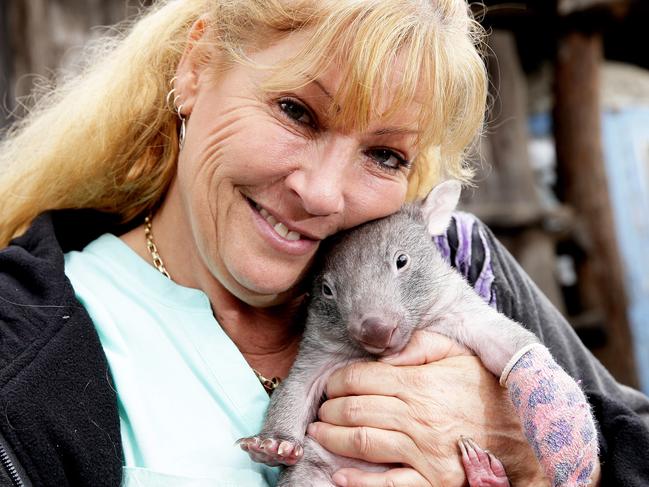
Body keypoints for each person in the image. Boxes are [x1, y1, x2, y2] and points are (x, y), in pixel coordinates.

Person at [0, 0, 647, 486]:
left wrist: (532, 456)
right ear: (195, 68)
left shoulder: (456, 267)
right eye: (296, 111)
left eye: (385, 154)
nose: (321, 192)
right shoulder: (23, 352)